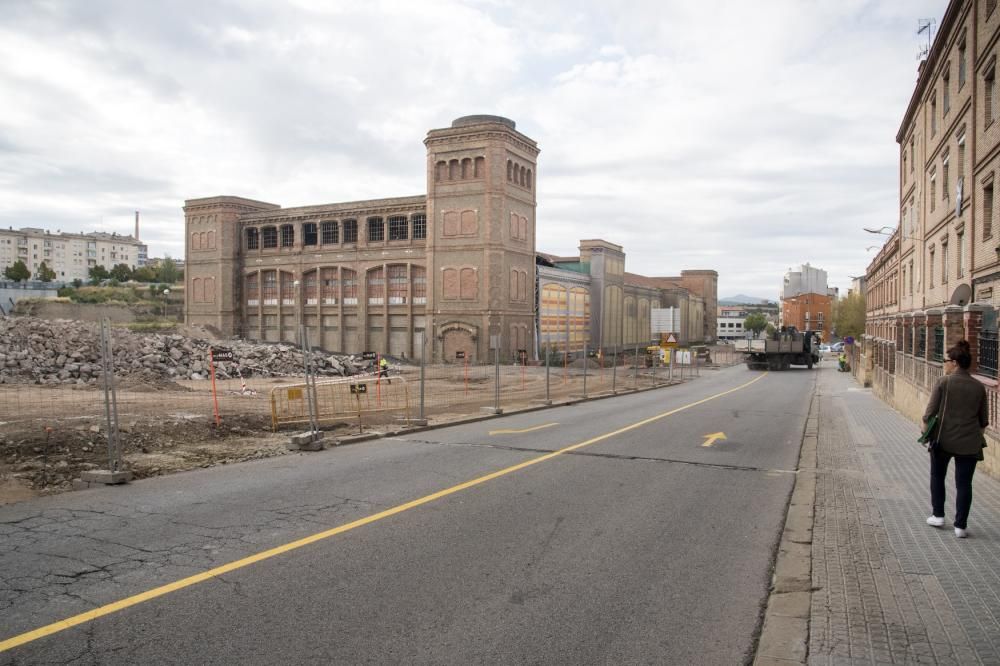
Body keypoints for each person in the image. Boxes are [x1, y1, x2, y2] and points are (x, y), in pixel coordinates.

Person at [922, 340, 988, 538]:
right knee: (964, 483)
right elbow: (983, 421)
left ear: (955, 362)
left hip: (943, 441)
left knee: (937, 476)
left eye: (946, 360)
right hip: (969, 443)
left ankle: (938, 515)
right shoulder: (978, 387)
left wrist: (926, 433)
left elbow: (929, 413)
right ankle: (960, 526)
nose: (945, 364)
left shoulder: (944, 382)